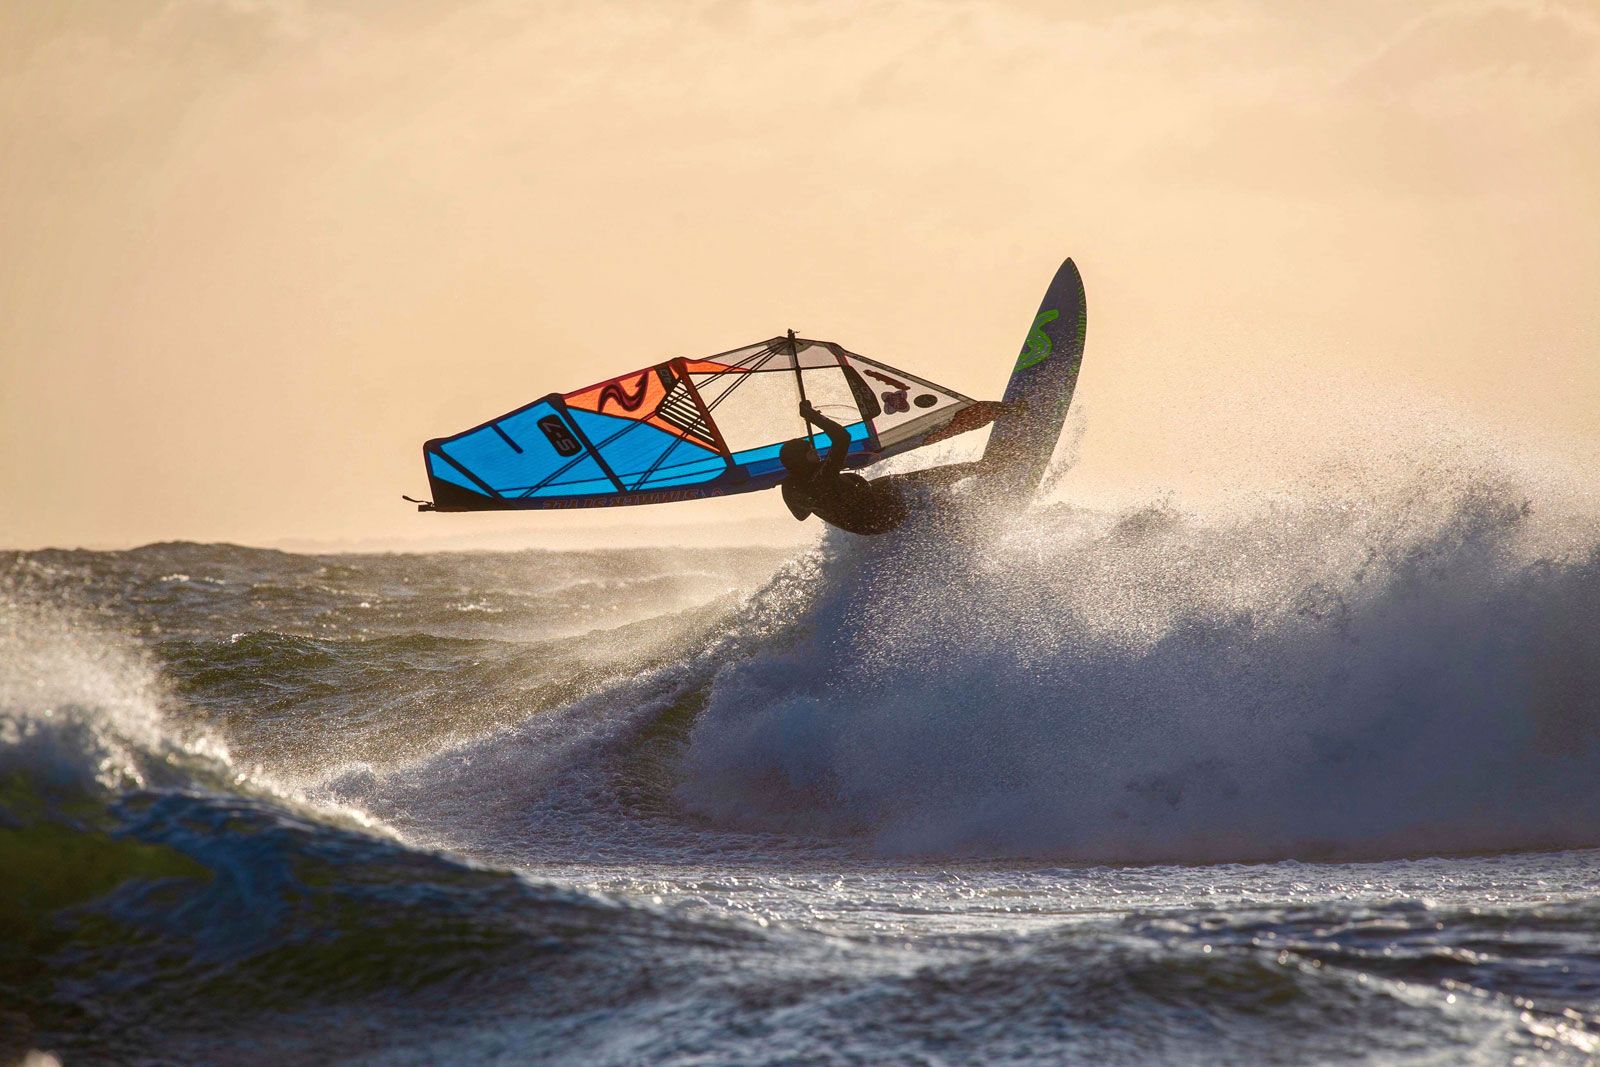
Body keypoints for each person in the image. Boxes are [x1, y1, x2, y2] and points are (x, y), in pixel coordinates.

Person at [779, 401, 910, 536]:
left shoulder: (791, 486)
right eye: (812, 452)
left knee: (879, 483)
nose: (817, 454)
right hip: (885, 514)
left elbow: (800, 515)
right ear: (803, 460)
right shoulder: (823, 476)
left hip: (865, 527)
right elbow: (842, 437)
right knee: (901, 482)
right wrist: (812, 416)